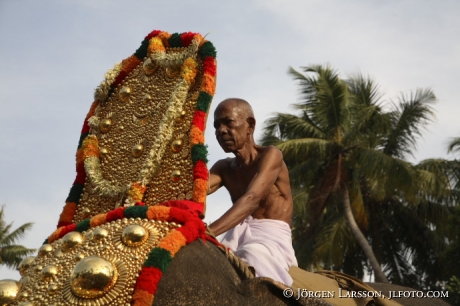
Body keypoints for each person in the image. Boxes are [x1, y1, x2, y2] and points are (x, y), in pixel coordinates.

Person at [207, 98, 298, 285]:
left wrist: (207, 233)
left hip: (271, 239)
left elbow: (251, 199)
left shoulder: (271, 155)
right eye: (216, 126)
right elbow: (194, 191)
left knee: (251, 254)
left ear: (250, 125)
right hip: (236, 237)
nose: (221, 131)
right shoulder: (224, 167)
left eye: (228, 122)